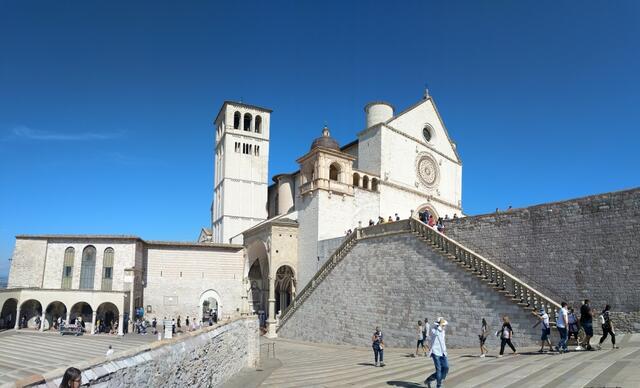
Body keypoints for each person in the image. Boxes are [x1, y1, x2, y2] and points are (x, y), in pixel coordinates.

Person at [425, 317, 449, 388]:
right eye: (443, 325)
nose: (444, 326)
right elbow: (436, 333)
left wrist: (445, 350)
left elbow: (442, 341)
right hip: (435, 352)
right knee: (439, 369)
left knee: (446, 367)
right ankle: (439, 385)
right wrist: (440, 325)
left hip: (443, 352)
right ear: (439, 325)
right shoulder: (433, 330)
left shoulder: (443, 331)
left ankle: (430, 379)